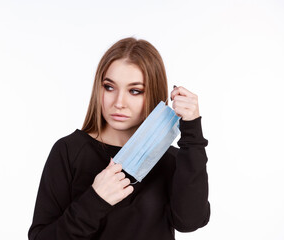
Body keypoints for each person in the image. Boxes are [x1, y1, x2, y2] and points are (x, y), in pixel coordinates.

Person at [28, 37, 210, 240]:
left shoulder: (172, 159)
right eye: (109, 87)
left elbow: (190, 221)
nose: (119, 102)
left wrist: (192, 132)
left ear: (154, 94)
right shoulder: (69, 151)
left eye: (134, 91)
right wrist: (96, 199)